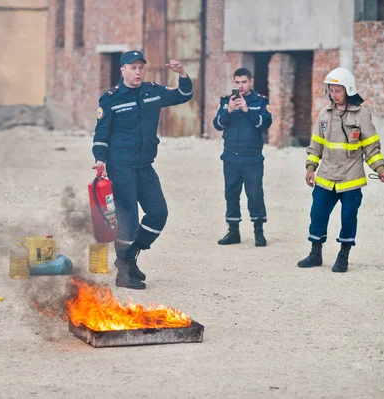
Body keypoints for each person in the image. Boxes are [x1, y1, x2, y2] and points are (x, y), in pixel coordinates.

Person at [91, 50, 193, 289]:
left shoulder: (152, 91)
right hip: (121, 166)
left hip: (145, 165)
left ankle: (129, 256)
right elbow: (101, 133)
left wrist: (182, 74)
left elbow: (182, 95)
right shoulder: (111, 98)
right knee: (128, 220)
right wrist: (100, 159)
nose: (138, 72)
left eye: (141, 67)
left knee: (159, 213)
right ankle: (124, 274)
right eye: (133, 67)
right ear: (123, 70)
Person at [297, 67, 384, 273]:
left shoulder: (362, 115)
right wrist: (310, 168)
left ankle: (343, 256)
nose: (333, 94)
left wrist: (380, 168)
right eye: (330, 90)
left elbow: (371, 147)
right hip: (326, 176)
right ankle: (315, 253)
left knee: (348, 217)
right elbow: (316, 145)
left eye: (337, 90)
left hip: (351, 178)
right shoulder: (324, 115)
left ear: (348, 90)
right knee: (317, 214)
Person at [213, 68, 272, 247]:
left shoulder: (260, 101)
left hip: (252, 158)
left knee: (254, 194)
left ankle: (259, 232)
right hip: (231, 157)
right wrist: (229, 110)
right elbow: (217, 125)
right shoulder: (226, 101)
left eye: (244, 82)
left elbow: (265, 123)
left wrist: (247, 110)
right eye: (237, 82)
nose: (240, 86)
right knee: (231, 194)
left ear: (251, 82)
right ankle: (233, 232)